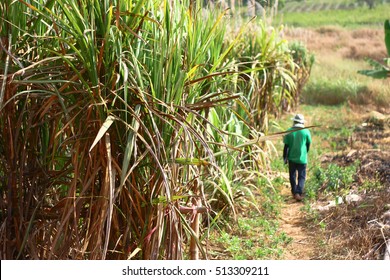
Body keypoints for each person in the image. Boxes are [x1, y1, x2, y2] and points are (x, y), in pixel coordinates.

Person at [283, 114, 312, 202]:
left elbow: (286, 147)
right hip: (302, 158)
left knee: (292, 175)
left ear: (294, 121)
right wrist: (305, 152)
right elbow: (308, 144)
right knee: (302, 176)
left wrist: (285, 158)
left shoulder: (289, 131)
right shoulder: (306, 131)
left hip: (292, 158)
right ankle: (298, 192)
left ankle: (294, 191)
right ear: (302, 122)